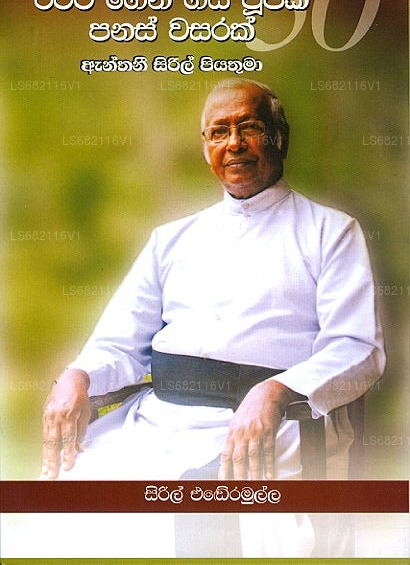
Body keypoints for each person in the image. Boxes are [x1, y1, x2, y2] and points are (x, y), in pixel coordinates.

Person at [41, 78, 385, 556]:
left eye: (250, 127)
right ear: (206, 149)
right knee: (82, 482)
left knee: (210, 507)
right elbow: (117, 343)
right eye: (219, 132)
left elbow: (357, 348)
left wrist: (276, 391)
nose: (234, 143)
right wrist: (77, 377)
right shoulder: (171, 239)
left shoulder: (331, 231)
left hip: (276, 420)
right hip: (162, 419)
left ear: (279, 137)